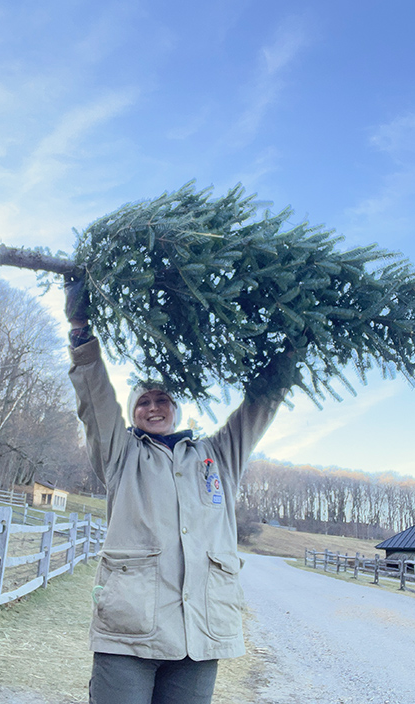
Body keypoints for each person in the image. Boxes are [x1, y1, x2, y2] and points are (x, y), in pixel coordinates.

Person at [63, 277, 295, 704]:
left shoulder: (218, 456)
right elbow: (95, 400)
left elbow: (259, 407)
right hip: (131, 630)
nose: (153, 407)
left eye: (162, 400)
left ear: (176, 408)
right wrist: (81, 332)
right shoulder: (122, 454)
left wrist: (292, 348)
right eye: (144, 402)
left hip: (201, 633)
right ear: (133, 413)